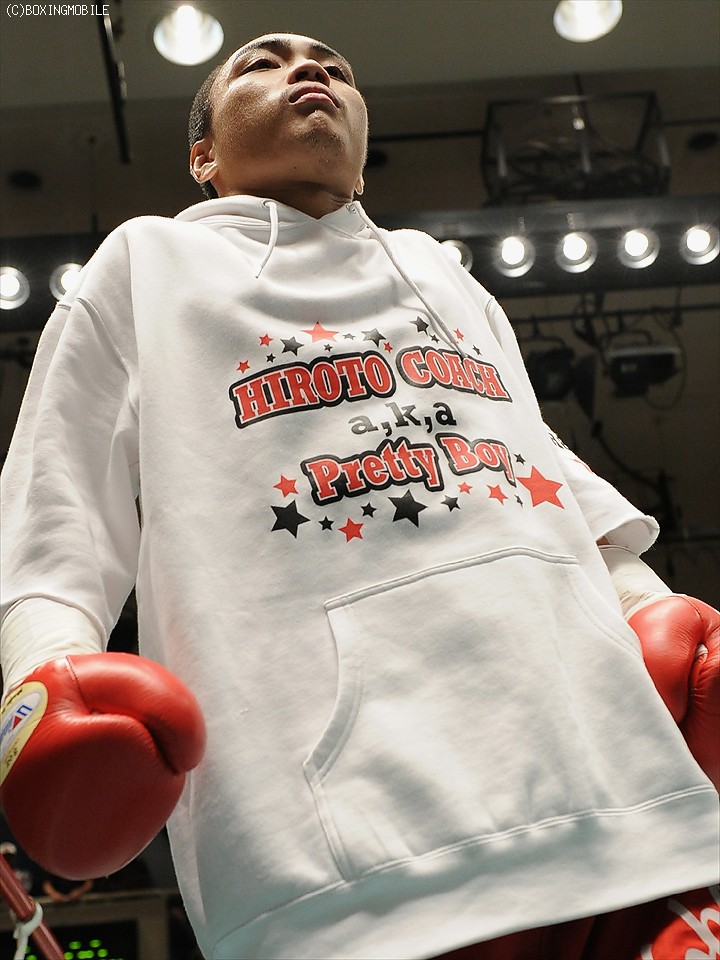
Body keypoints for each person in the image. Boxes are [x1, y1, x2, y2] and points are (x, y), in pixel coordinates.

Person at [0, 32, 717, 960]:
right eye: (262, 63)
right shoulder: (147, 261)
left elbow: (530, 457)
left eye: (334, 66)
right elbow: (56, 500)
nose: (311, 69)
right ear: (203, 156)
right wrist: (38, 683)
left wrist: (647, 601)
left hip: (629, 806)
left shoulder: (442, 272)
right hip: (347, 865)